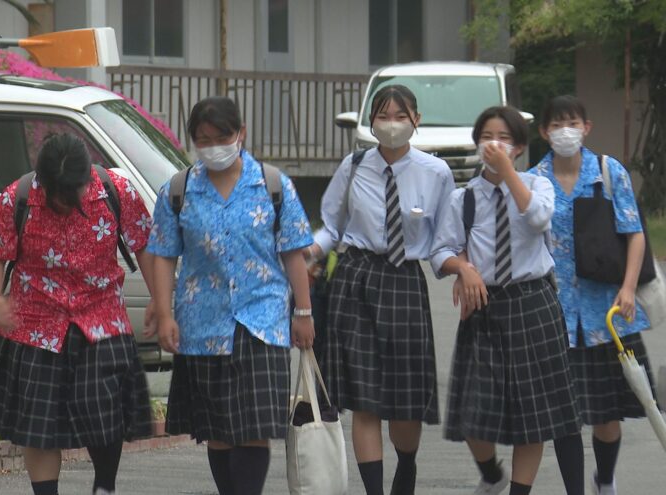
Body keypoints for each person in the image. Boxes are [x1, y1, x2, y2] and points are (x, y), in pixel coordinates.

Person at [146, 96, 315, 495]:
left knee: (254, 427)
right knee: (219, 430)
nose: (213, 146)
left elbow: (294, 251)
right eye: (203, 139)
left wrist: (303, 311)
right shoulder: (179, 190)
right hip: (202, 323)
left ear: (241, 133)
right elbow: (164, 254)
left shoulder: (273, 185)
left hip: (262, 320)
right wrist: (165, 312)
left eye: (221, 136)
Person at [0, 133, 156, 495]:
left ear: (85, 179)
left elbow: (144, 244)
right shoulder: (18, 198)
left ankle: (104, 487)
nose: (62, 200)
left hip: (102, 319)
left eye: (69, 193)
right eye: (55, 192)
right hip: (36, 325)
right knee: (40, 429)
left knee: (105, 412)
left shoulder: (116, 191)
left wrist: (161, 300)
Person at [307, 84, 454, 495]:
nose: (391, 125)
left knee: (405, 407)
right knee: (365, 398)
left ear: (416, 121)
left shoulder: (436, 173)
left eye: (400, 116)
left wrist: (461, 269)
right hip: (355, 279)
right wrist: (309, 254)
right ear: (370, 121)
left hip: (405, 282)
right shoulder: (353, 166)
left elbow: (443, 241)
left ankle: (406, 464)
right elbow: (332, 225)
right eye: (383, 116)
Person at [431, 106, 582, 495]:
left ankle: (518, 490)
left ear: (518, 148)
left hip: (532, 302)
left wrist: (511, 175)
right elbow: (440, 250)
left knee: (531, 414)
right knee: (472, 412)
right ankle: (492, 473)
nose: (493, 144)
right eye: (486, 137)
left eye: (503, 138)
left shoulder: (538, 184)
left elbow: (537, 218)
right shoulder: (464, 198)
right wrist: (462, 269)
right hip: (484, 307)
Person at [529, 95, 657, 495]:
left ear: (587, 127)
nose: (565, 130)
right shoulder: (534, 180)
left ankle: (604, 478)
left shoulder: (608, 171)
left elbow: (633, 231)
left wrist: (629, 286)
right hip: (555, 312)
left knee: (607, 413)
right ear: (543, 132)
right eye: (556, 124)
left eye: (573, 122)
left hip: (606, 311)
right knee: (565, 416)